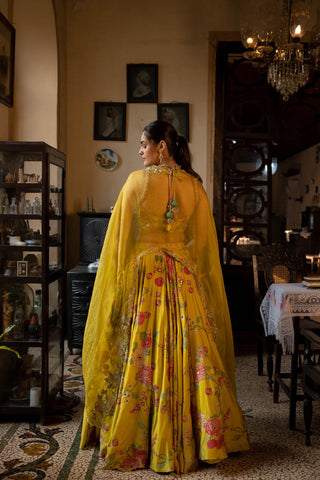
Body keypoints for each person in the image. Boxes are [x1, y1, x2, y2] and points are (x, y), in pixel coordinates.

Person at [80, 120, 249, 473]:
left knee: (140, 352)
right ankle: (205, 435)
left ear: (161, 147)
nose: (140, 151)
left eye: (143, 144)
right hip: (185, 279)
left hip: (147, 278)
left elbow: (120, 242)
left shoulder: (136, 183)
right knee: (193, 351)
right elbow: (203, 246)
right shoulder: (194, 186)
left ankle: (140, 435)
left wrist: (118, 284)